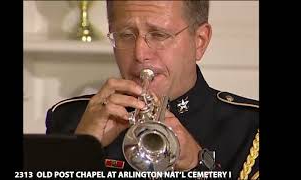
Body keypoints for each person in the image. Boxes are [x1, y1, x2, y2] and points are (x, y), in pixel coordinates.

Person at [45, 1, 259, 179]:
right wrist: (80, 152)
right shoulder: (69, 118)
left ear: (199, 41)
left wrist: (198, 165)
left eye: (158, 35)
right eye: (125, 34)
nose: (139, 54)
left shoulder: (251, 129)